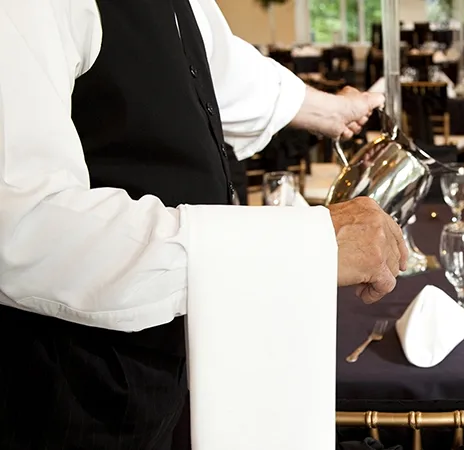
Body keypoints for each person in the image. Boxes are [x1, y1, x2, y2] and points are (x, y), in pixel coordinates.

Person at [0, 0, 407, 448]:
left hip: (171, 358)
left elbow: (214, 65)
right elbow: (24, 225)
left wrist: (330, 110)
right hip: (76, 383)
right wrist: (302, 245)